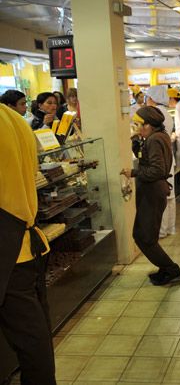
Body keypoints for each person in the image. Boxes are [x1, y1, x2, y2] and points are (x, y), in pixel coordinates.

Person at [0, 103, 55, 385]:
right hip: (26, 242)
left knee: (31, 341)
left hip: (7, 249)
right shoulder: (15, 120)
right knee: (34, 339)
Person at [121, 106, 180, 285]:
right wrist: (136, 141)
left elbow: (156, 170)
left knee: (143, 237)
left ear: (149, 124)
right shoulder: (157, 136)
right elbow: (145, 158)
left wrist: (133, 172)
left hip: (152, 192)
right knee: (147, 235)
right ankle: (165, 268)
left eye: (139, 124)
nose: (137, 127)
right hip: (153, 192)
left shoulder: (154, 140)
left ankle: (171, 270)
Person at [145, 85, 176, 239]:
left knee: (160, 195)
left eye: (147, 98)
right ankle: (170, 227)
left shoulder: (155, 114)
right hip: (169, 157)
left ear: (152, 98)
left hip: (159, 158)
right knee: (170, 195)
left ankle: (161, 230)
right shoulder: (167, 113)